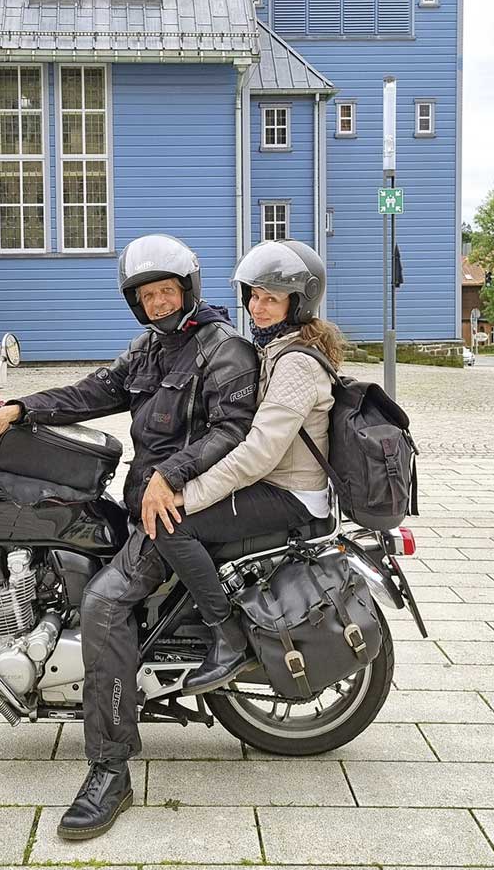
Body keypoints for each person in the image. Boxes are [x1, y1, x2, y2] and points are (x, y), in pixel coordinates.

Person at [0, 233, 259, 841]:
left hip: (181, 505)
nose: (155, 303)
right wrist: (15, 411)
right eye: (145, 296)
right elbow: (93, 391)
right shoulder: (150, 350)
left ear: (188, 290)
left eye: (165, 292)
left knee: (102, 605)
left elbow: (235, 429)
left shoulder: (222, 349)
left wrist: (170, 476)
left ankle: (110, 770)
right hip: (143, 498)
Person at [148, 239, 345, 694]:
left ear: (298, 303)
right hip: (282, 485)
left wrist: (188, 494)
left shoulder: (295, 363)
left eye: (271, 298)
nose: (258, 307)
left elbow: (260, 452)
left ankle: (227, 637)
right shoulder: (279, 348)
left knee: (171, 524)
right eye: (254, 296)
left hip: (292, 495)